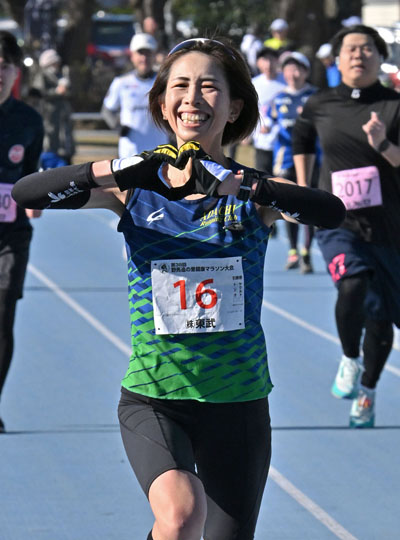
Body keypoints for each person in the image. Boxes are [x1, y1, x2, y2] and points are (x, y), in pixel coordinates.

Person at [13, 38, 345, 538]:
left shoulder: (253, 193)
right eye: (181, 86)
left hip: (238, 402)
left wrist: (245, 186)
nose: (193, 97)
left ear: (234, 107)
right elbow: (28, 193)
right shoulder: (133, 186)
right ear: (163, 104)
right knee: (182, 516)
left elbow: (331, 212)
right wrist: (116, 168)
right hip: (156, 397)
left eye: (209, 86)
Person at [292, 24, 400, 428]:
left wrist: (383, 145)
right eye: (350, 49)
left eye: (368, 48)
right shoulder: (320, 103)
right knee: (353, 283)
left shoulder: (394, 105)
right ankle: (350, 358)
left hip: (389, 227)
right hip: (337, 221)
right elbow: (301, 140)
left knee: (381, 317)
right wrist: (303, 189)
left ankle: (367, 390)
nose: (359, 54)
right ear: (336, 59)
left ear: (380, 57)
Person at [0, 31, 44, 433]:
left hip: (11, 236)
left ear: (16, 72)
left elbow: (30, 176)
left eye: (4, 67)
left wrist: (36, 199)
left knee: (3, 317)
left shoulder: (29, 121)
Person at [268, 51, 318, 272]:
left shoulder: (315, 97)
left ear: (306, 72)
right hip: (285, 159)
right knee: (289, 203)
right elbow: (267, 121)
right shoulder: (278, 98)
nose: (293, 73)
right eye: (289, 69)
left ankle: (306, 251)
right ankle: (293, 250)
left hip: (311, 158)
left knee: (310, 202)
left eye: (298, 69)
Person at [101, 32, 169, 158]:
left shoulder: (164, 82)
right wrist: (117, 126)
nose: (144, 58)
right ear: (132, 56)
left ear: (154, 55)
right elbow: (107, 110)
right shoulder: (121, 82)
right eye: (140, 53)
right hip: (129, 153)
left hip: (160, 152)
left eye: (148, 53)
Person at [32, 48, 75, 165]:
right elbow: (39, 93)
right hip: (49, 115)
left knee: (65, 140)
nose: (57, 65)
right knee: (50, 140)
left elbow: (69, 94)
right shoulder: (42, 76)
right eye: (54, 62)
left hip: (63, 116)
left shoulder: (61, 76)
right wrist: (56, 91)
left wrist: (66, 88)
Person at [251, 47, 285, 174]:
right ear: (258, 63)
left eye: (272, 59)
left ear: (277, 61)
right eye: (264, 60)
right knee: (263, 178)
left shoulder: (286, 81)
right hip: (262, 140)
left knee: (283, 179)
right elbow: (250, 111)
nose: (268, 64)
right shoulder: (254, 84)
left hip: (284, 142)